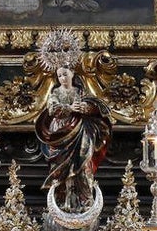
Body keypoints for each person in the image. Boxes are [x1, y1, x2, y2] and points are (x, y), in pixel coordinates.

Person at [35, 66, 111, 211]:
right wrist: (70, 108)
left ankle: (86, 204)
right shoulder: (55, 93)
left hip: (81, 131)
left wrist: (85, 108)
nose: (62, 78)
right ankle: (62, 204)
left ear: (72, 74)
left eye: (65, 74)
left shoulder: (80, 92)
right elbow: (52, 109)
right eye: (59, 76)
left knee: (83, 166)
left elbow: (95, 106)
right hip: (60, 133)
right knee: (61, 169)